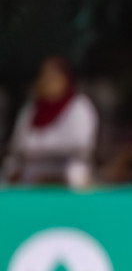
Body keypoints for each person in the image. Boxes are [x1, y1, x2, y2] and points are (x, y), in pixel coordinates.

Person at [3, 56, 97, 187]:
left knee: (77, 172)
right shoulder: (31, 109)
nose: (47, 81)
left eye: (53, 76)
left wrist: (39, 148)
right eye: (44, 76)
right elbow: (19, 144)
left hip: (66, 170)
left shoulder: (79, 106)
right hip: (31, 171)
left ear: (65, 79)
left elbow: (80, 144)